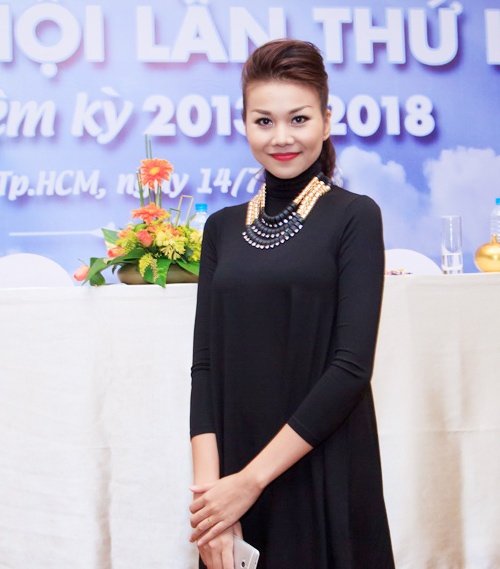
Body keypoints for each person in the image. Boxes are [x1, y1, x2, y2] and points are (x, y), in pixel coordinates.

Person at [189, 38, 395, 569]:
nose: (281, 137)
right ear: (244, 124)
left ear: (326, 122)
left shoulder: (355, 216)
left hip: (321, 462)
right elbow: (204, 366)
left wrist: (251, 481)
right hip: (233, 479)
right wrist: (213, 503)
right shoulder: (221, 228)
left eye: (299, 119)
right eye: (264, 121)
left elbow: (350, 368)